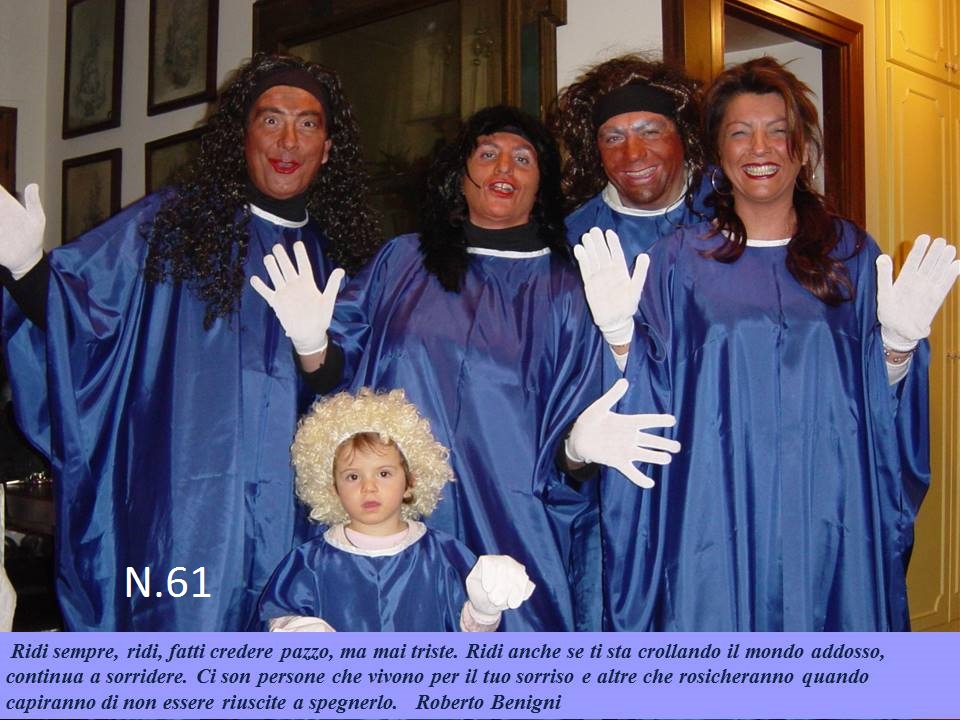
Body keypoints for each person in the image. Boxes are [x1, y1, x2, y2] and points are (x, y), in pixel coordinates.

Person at [252, 105, 680, 631]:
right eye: (488, 154)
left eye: (523, 159)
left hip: (514, 527)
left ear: (541, 183)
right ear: (460, 175)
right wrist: (311, 342)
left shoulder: (568, 289)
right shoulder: (401, 263)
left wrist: (576, 450)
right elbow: (333, 384)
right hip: (388, 522)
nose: (504, 168)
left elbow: (579, 443)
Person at [0, 53, 380, 631]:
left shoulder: (345, 259)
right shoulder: (168, 228)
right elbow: (79, 319)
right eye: (270, 120)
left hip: (297, 519)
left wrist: (314, 348)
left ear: (327, 148)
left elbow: (354, 397)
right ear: (241, 135)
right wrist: (27, 269)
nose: (288, 141)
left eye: (307, 124)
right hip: (182, 515)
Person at [577, 57, 958, 630]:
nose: (759, 148)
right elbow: (653, 404)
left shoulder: (851, 256)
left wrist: (899, 347)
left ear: (801, 148)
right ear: (718, 151)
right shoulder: (678, 262)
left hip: (830, 515)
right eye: (740, 132)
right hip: (712, 519)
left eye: (777, 131)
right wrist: (620, 340)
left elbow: (882, 417)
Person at [260, 388, 535, 632]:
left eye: (383, 473)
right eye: (353, 476)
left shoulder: (444, 556)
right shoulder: (309, 563)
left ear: (410, 481)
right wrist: (294, 631)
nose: (368, 487)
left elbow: (473, 639)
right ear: (333, 488)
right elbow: (277, 618)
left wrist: (484, 610)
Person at [551, 55, 710, 265]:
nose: (633, 154)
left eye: (650, 132)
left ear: (683, 138)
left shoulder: (731, 207)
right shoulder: (575, 238)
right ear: (597, 152)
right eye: (614, 139)